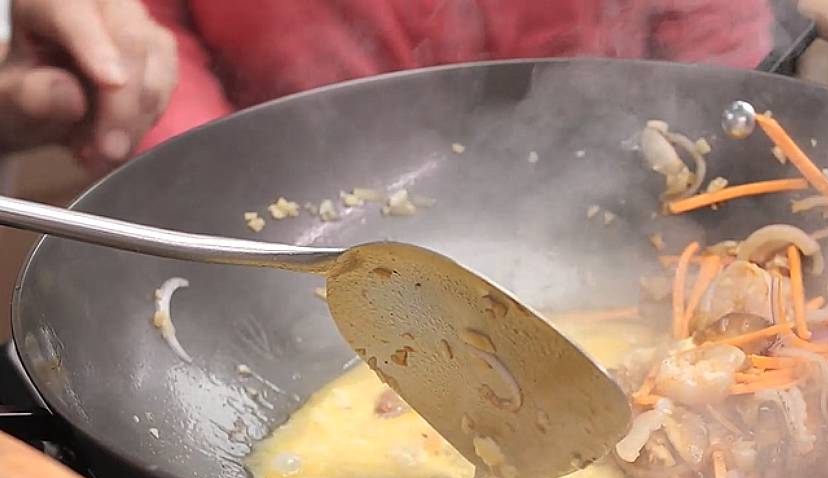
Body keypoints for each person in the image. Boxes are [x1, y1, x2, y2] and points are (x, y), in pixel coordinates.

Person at [0, 0, 772, 175]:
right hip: (289, 187)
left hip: (600, 186)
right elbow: (148, 24)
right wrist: (214, 173)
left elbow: (707, 83)